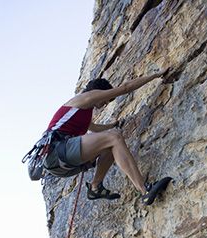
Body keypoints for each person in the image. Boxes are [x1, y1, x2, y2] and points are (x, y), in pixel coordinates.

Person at [43, 69, 168, 205]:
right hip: (56, 151)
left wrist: (112, 125)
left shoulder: (83, 110)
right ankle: (144, 190)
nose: (106, 103)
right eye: (106, 99)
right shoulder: (85, 98)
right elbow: (126, 88)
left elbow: (94, 128)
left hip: (59, 164)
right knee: (114, 137)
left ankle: (95, 187)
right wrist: (155, 75)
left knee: (109, 147)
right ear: (98, 92)